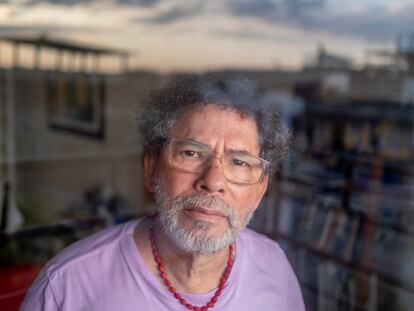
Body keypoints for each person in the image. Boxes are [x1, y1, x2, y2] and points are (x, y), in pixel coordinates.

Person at [21, 75, 305, 311]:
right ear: (151, 169)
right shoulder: (66, 287)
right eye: (192, 153)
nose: (213, 180)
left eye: (240, 162)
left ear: (260, 190)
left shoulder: (275, 267)